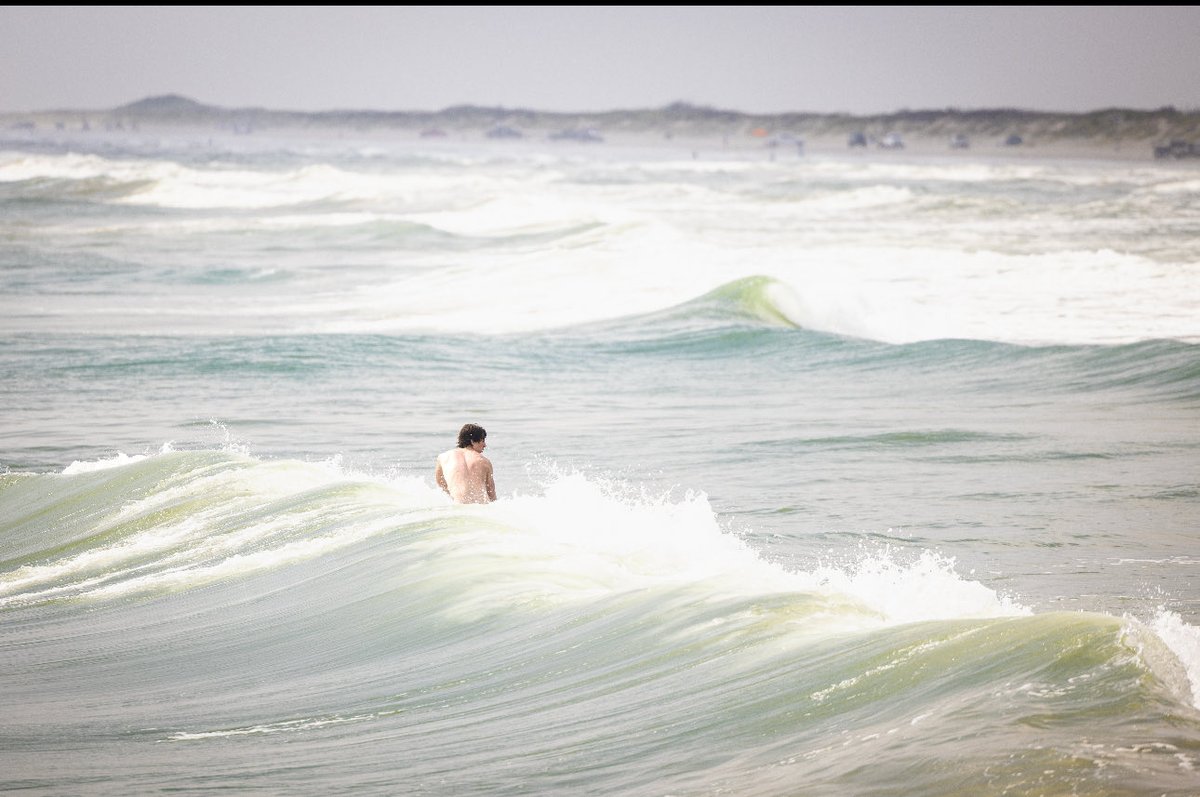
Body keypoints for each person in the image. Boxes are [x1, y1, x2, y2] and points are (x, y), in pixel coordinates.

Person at [435, 423, 496, 504]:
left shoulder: (443, 457)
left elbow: (441, 484)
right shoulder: (484, 461)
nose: (485, 445)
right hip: (481, 508)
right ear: (472, 441)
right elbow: (491, 494)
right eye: (482, 440)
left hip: (459, 506)